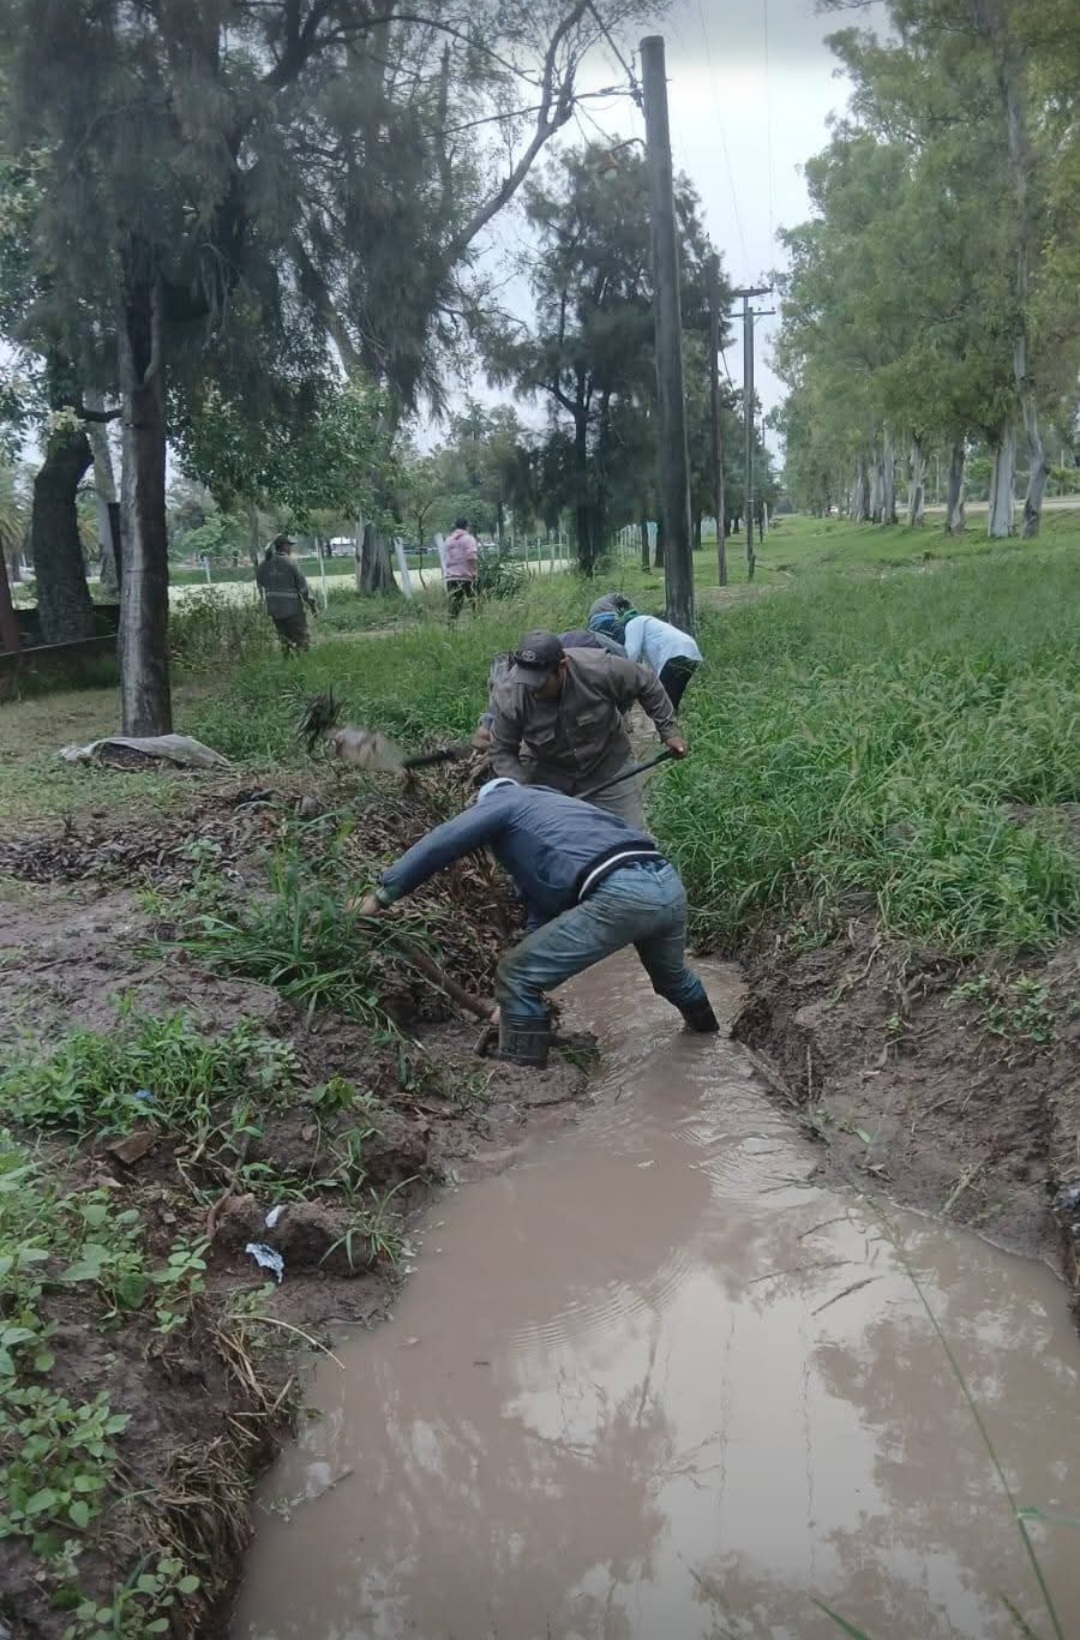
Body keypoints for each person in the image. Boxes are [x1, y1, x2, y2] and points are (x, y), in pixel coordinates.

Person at [357, 778, 719, 1066]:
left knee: (515, 974)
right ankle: (712, 1043)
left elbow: (444, 841)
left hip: (622, 893)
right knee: (672, 979)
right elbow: (543, 916)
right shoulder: (553, 807)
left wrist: (382, 895)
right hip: (666, 883)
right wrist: (512, 1008)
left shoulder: (502, 802)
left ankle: (523, 1075)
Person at [488, 630, 686, 828]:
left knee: (628, 832)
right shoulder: (510, 695)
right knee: (561, 839)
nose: (532, 689)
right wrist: (526, 792)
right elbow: (502, 750)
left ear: (562, 667)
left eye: (540, 683)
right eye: (528, 681)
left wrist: (669, 730)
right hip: (551, 776)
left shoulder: (599, 668)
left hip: (608, 765)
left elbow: (646, 682)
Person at [590, 610, 703, 711]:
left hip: (675, 654)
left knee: (663, 700)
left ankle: (667, 726)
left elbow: (631, 655)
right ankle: (675, 723)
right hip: (691, 653)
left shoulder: (633, 623)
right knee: (672, 698)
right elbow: (650, 669)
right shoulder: (652, 626)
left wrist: (622, 677)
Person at [255, 534, 316, 652]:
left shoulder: (264, 564)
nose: (290, 548)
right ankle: (302, 660)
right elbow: (303, 587)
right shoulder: (290, 563)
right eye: (289, 545)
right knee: (301, 638)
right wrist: (312, 604)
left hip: (274, 609)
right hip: (292, 609)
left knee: (285, 639)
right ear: (284, 546)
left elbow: (260, 582)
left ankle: (287, 658)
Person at [442, 517, 480, 619]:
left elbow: (446, 557)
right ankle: (478, 621)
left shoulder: (448, 540)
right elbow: (471, 556)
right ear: (467, 526)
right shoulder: (469, 539)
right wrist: (474, 571)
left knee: (454, 606)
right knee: (475, 603)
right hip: (466, 576)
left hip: (451, 577)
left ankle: (451, 625)